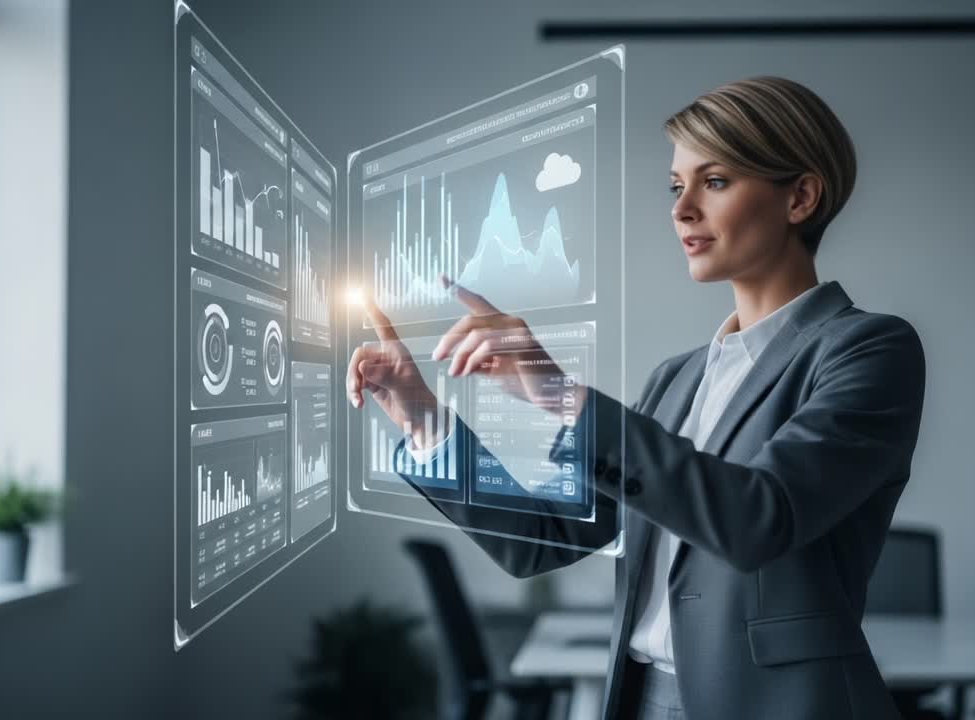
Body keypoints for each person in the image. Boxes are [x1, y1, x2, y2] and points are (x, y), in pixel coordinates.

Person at [347, 76, 925, 720]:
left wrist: (560, 394)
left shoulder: (868, 349)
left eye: (715, 181)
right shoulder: (675, 381)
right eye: (677, 187)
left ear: (801, 197)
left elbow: (761, 519)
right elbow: (544, 537)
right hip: (640, 700)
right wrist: (423, 420)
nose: (682, 210)